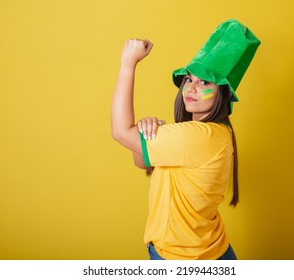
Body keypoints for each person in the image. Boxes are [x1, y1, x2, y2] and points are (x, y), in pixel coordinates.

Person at [111, 19, 260, 260]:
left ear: (221, 92)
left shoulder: (200, 136)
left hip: (184, 261)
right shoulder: (209, 132)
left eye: (205, 82)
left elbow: (119, 131)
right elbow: (142, 162)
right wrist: (143, 129)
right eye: (189, 79)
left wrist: (128, 63)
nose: (191, 88)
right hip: (208, 252)